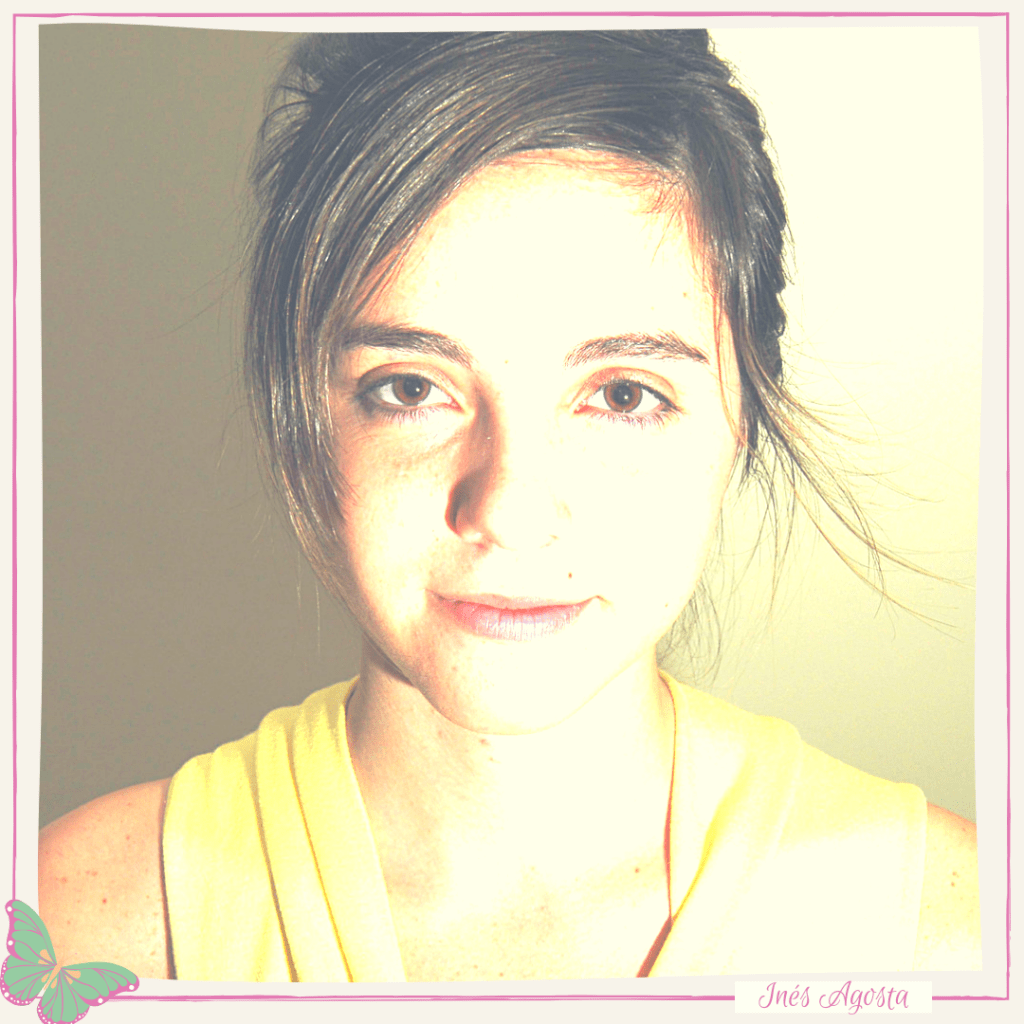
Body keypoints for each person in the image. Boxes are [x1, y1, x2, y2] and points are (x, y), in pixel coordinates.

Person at [37, 30, 979, 981]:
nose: (511, 509)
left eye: (623, 394)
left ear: (743, 416)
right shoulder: (78, 927)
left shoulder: (959, 936)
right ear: (300, 417)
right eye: (411, 388)